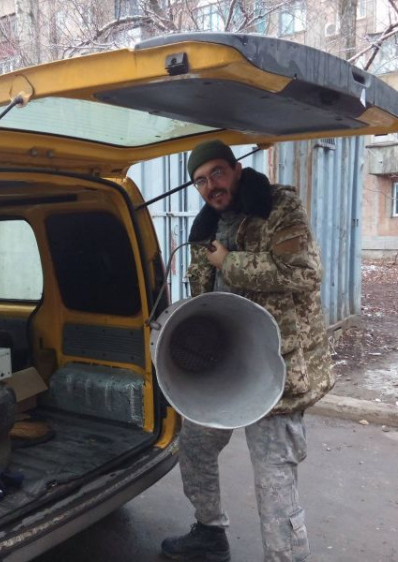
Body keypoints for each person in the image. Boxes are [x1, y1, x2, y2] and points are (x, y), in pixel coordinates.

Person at [160, 140, 334, 562]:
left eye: (217, 173)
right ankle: (209, 531)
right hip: (223, 364)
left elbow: (304, 275)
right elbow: (204, 294)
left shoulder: (277, 209)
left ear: (236, 169)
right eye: (200, 181)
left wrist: (228, 263)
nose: (210, 186)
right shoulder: (206, 226)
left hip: (277, 369)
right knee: (195, 447)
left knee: (274, 478)